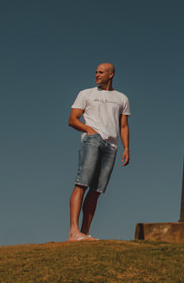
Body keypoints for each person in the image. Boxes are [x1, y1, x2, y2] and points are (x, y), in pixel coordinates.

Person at [68, 62, 131, 241]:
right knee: (82, 183)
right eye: (96, 72)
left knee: (97, 190)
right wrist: (89, 130)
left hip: (112, 146)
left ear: (110, 75)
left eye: (101, 72)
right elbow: (73, 119)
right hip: (92, 140)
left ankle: (85, 233)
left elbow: (124, 126)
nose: (97, 75)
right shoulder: (86, 93)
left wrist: (126, 148)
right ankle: (73, 231)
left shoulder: (122, 98)